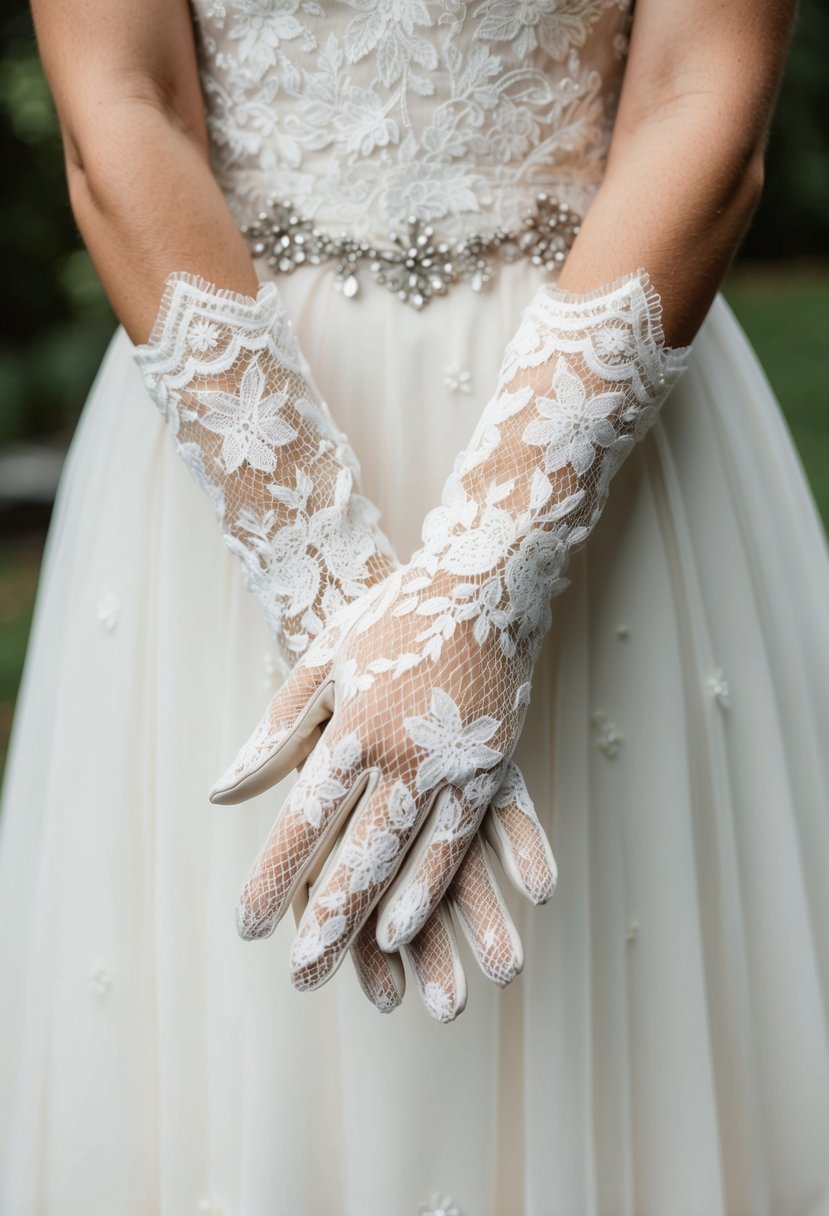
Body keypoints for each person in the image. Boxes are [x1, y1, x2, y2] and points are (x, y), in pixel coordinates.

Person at [2, 0, 829, 1211]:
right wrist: (326, 575)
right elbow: (124, 111)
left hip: (588, 417)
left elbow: (700, 92)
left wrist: (488, 576)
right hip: (233, 433)